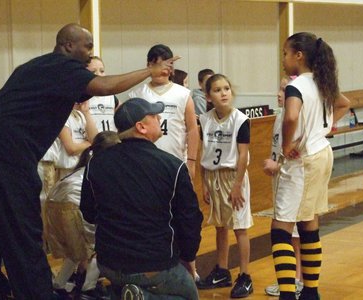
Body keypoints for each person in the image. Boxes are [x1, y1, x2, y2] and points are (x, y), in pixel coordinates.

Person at [0, 23, 178, 300]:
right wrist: (150, 71)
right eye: (88, 46)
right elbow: (105, 86)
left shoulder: (36, 67)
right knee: (23, 232)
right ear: (68, 45)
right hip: (8, 152)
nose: (90, 53)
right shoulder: (63, 67)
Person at [80, 98, 203, 300]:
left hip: (108, 262)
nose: (159, 118)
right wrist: (188, 258)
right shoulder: (173, 166)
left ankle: (125, 294)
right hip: (154, 264)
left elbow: (89, 212)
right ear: (141, 127)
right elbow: (189, 220)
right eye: (154, 116)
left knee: (125, 286)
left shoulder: (96, 164)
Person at [271, 32, 350, 300]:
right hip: (321, 154)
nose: (283, 59)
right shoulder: (322, 81)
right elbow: (344, 104)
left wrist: (285, 145)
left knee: (280, 228)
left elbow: (291, 115)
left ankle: (286, 294)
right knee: (309, 224)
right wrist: (324, 128)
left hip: (302, 160)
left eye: (285, 53)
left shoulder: (296, 86)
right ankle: (311, 292)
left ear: (299, 56)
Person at [196, 74, 254, 298]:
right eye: (218, 90)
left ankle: (245, 275)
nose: (224, 93)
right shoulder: (204, 119)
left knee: (240, 226)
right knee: (220, 225)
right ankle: (222, 270)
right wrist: (204, 184)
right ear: (208, 96)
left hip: (233, 177)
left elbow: (243, 156)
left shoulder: (240, 120)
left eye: (227, 88)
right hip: (213, 176)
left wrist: (238, 185)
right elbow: (204, 152)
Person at [45, 131, 120, 300]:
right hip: (71, 205)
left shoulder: (88, 163)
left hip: (54, 205)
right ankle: (89, 288)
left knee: (76, 251)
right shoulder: (105, 167)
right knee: (101, 244)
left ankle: (60, 284)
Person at [128, 44, 199, 180]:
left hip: (176, 162)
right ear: (148, 66)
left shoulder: (183, 94)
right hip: (145, 164)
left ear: (171, 68)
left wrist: (191, 162)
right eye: (156, 64)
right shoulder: (137, 95)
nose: (161, 69)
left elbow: (192, 130)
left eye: (165, 65)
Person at [263, 76, 303, 298]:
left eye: (284, 90)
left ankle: (295, 280)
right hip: (280, 180)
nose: (279, 94)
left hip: (290, 179)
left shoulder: (294, 118)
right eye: (278, 89)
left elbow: (294, 154)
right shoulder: (280, 116)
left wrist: (277, 165)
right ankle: (291, 279)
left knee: (292, 234)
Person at [56, 100, 98, 179]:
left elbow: (96, 140)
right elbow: (72, 149)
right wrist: (89, 143)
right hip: (68, 171)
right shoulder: (62, 116)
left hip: (85, 168)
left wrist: (86, 112)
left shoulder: (81, 115)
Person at [86, 56, 120, 132]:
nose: (99, 74)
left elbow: (122, 115)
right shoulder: (81, 98)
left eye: (102, 71)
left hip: (112, 140)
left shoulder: (111, 96)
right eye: (93, 72)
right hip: (91, 141)